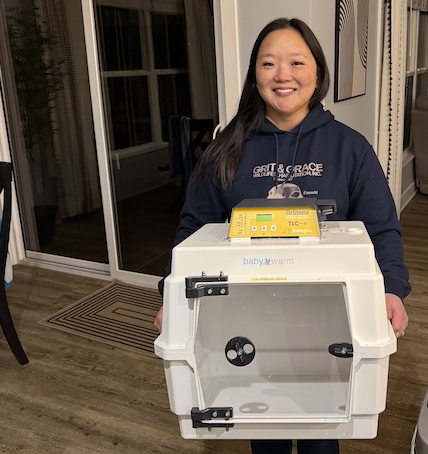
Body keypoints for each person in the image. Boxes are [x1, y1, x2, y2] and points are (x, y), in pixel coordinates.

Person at [154, 17, 410, 454]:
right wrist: (171, 297)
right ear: (255, 74)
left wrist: (391, 289)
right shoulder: (226, 148)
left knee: (322, 429)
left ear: (317, 72)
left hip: (330, 317)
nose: (282, 75)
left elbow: (381, 228)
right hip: (246, 317)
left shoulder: (349, 148)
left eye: (296, 62)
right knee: (264, 424)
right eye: (269, 63)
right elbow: (193, 230)